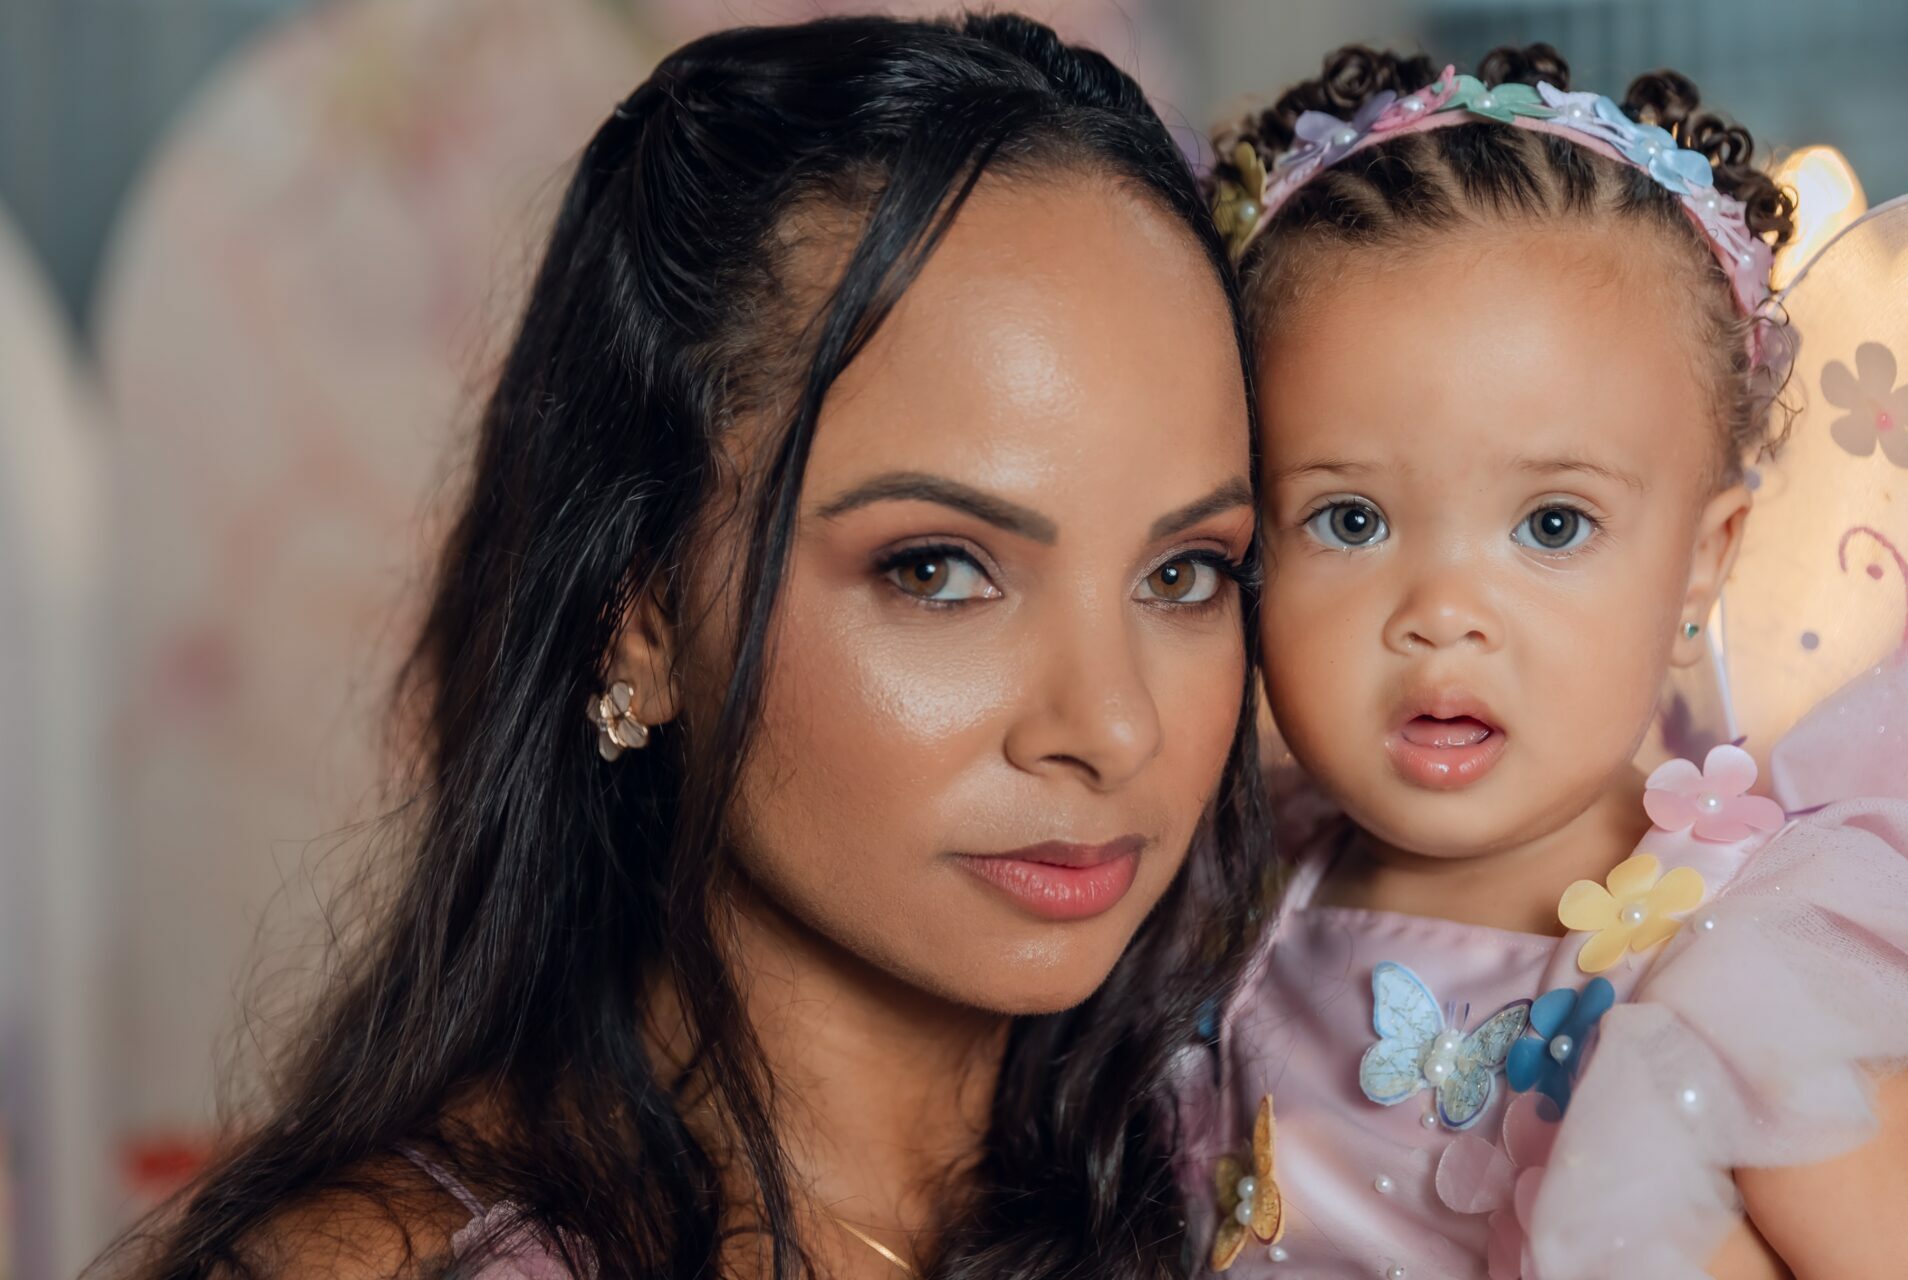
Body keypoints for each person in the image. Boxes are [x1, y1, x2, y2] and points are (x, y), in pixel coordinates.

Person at [108, 13, 1268, 1278]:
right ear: (641, 616)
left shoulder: (1290, 1165)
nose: (1112, 726)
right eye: (938, 569)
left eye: (1184, 572)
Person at [1182, 44, 1908, 1280]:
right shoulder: (1224, 898)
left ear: (1700, 563)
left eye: (1553, 524)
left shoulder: (1745, 968)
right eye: (1350, 519)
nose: (1444, 614)